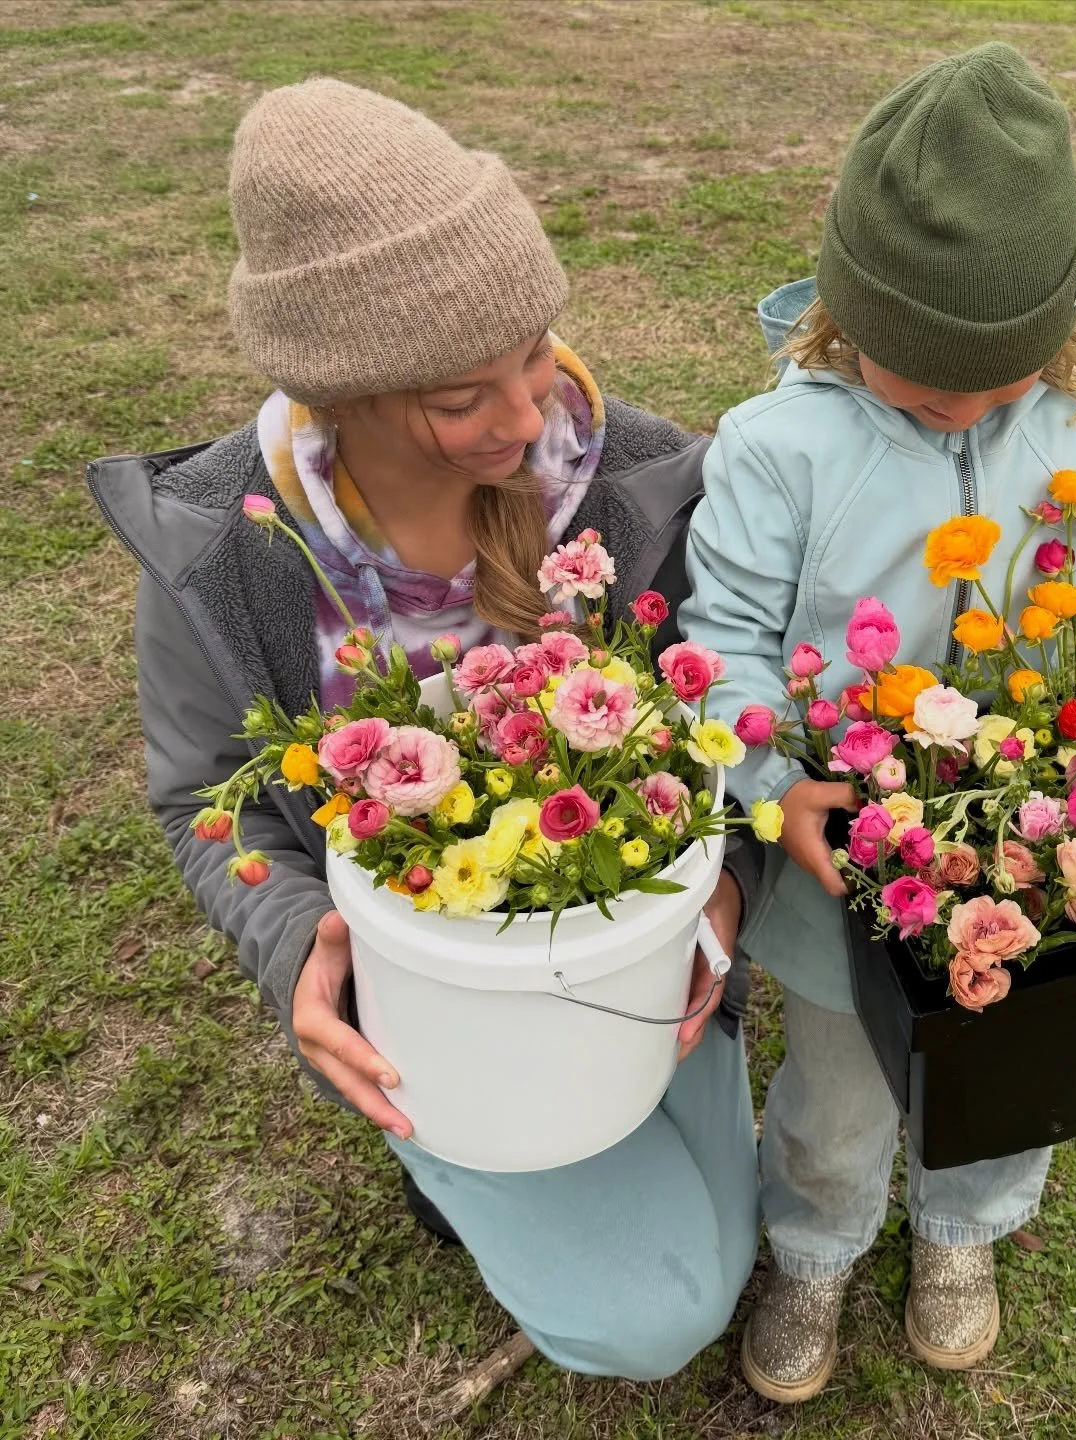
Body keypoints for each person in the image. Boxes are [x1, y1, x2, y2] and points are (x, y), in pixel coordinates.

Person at [88, 78, 760, 1382]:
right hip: (436, 991)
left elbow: (741, 718)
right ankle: (454, 1152)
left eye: (536, 351)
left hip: (634, 949)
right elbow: (202, 795)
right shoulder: (226, 553)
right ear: (346, 392)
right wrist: (298, 956)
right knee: (659, 1317)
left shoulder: (634, 482)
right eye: (467, 396)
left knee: (731, 1243)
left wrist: (722, 900)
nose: (531, 419)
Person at [680, 44, 1076, 1403]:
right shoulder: (776, 448)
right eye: (933, 397)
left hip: (1033, 834)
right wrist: (768, 778)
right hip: (848, 857)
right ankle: (811, 1244)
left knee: (1012, 1053)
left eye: (1006, 385)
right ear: (848, 317)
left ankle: (963, 1228)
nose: (977, 415)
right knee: (841, 1085)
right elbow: (725, 649)